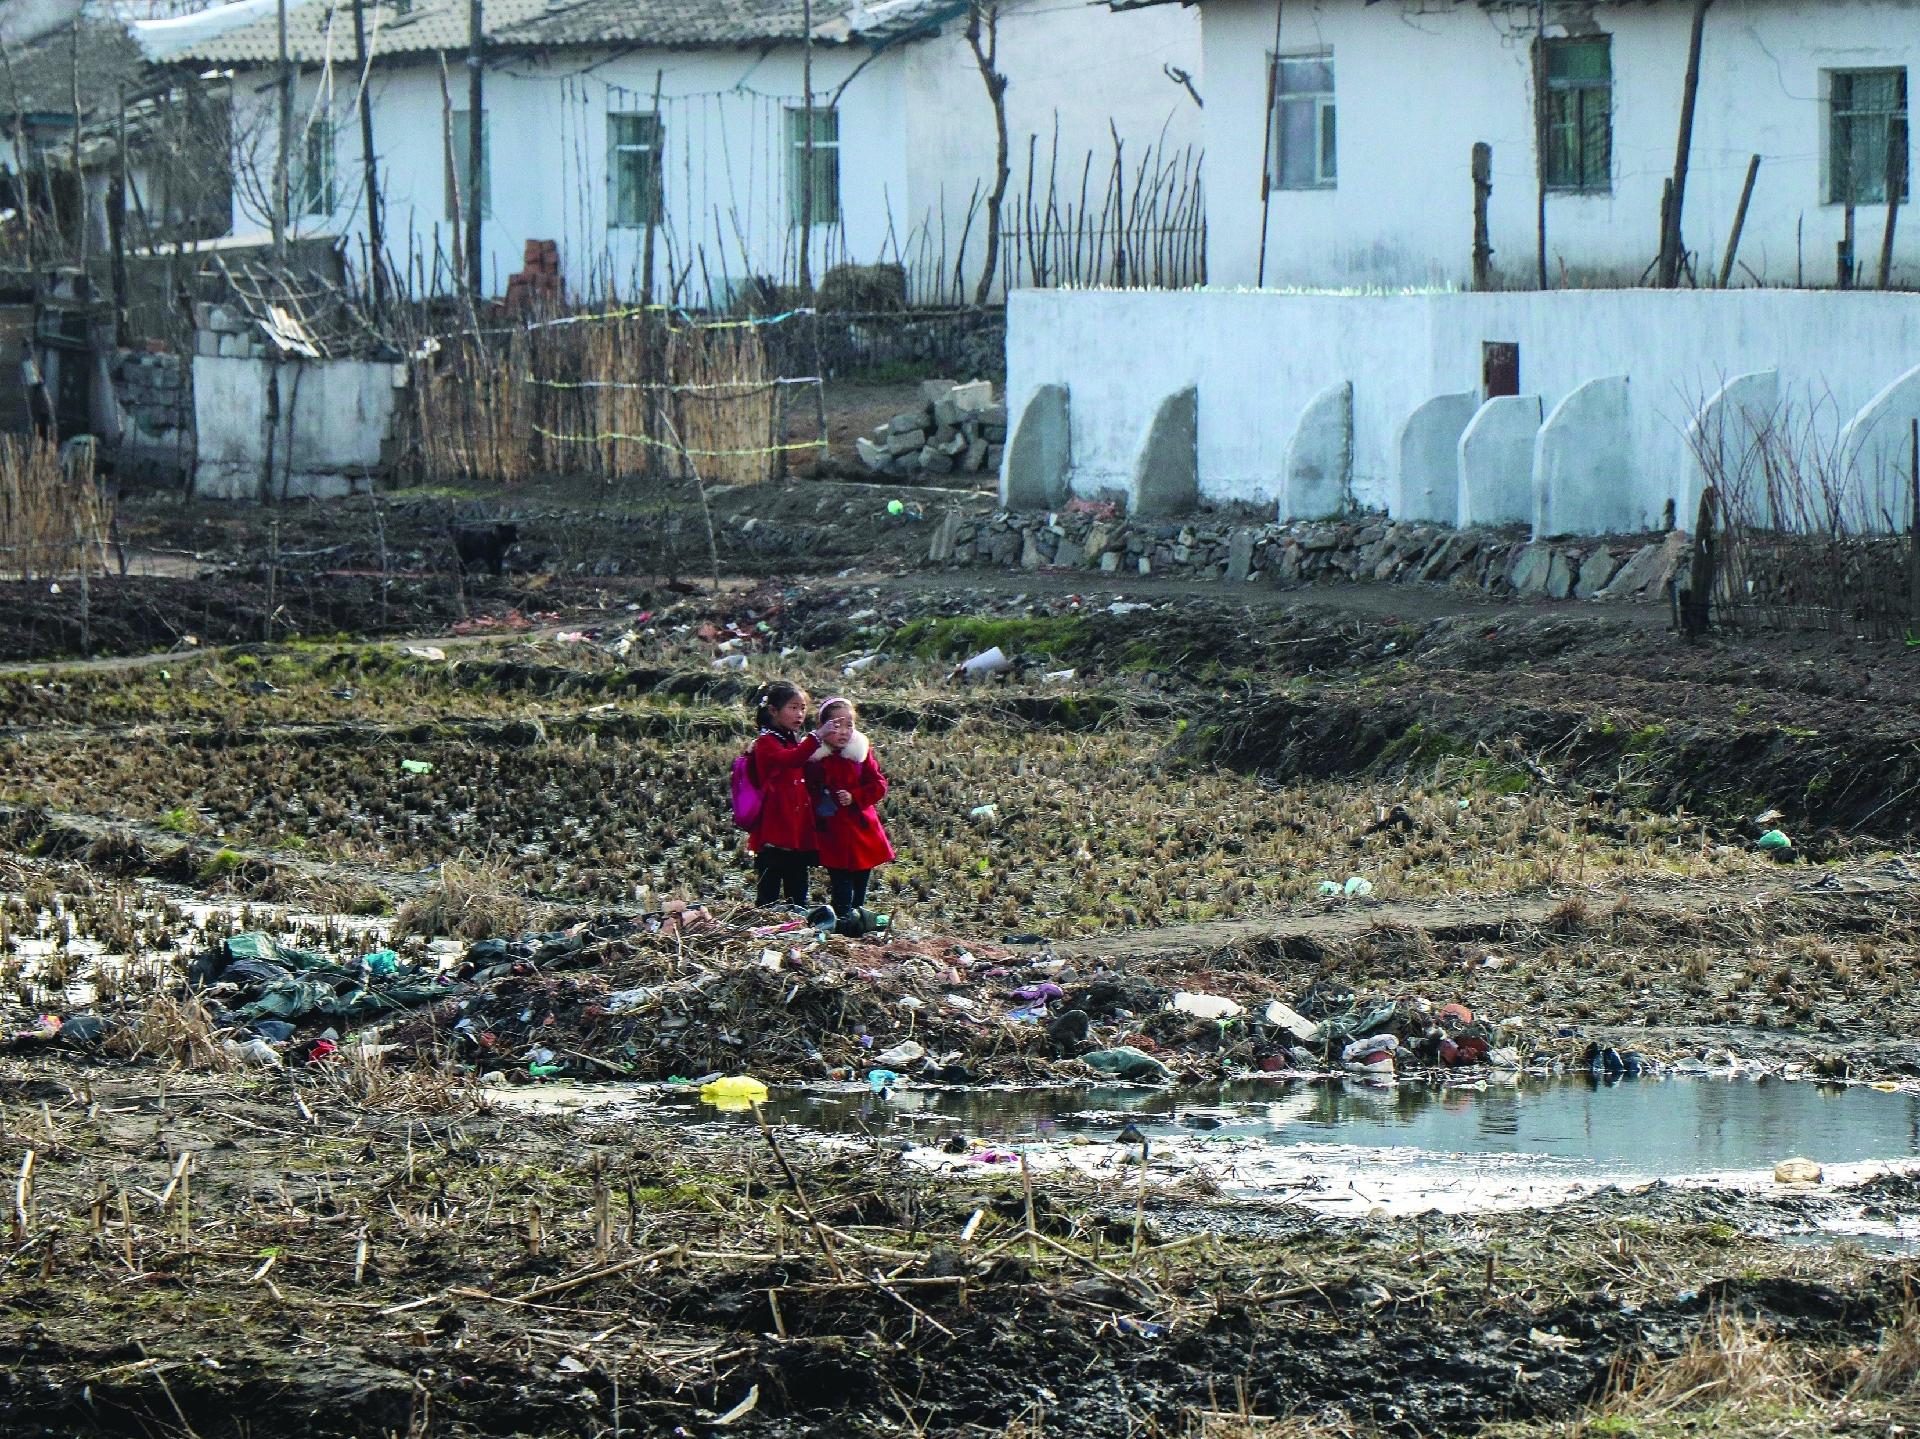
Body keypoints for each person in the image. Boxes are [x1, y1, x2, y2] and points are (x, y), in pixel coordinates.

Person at [808, 696, 895, 925]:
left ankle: (856, 919)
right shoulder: (815, 758)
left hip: (861, 831)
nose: (844, 732)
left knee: (860, 880)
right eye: (837, 726)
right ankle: (843, 919)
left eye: (849, 725)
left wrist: (854, 796)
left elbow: (878, 785)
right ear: (823, 728)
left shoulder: (860, 753)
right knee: (841, 881)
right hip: (833, 833)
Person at [745, 681, 824, 907]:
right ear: (773, 711)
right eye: (793, 708)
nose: (799, 714)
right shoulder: (767, 743)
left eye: (802, 708)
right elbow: (790, 760)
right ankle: (765, 926)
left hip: (795, 828)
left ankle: (796, 923)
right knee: (768, 889)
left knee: (798, 889)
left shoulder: (789, 740)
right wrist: (816, 739)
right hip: (775, 827)